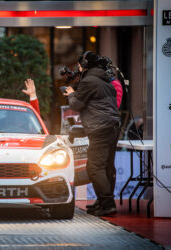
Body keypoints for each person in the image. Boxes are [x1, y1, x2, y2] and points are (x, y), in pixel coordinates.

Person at [63, 51, 120, 216]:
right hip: (112, 126)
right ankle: (103, 202)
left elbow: (76, 104)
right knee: (107, 166)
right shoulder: (105, 80)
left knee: (95, 167)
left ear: (85, 66)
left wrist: (71, 94)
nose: (78, 68)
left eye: (80, 65)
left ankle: (107, 204)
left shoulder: (88, 81)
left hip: (100, 128)